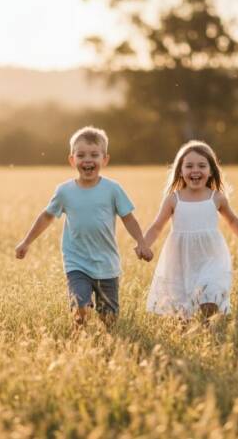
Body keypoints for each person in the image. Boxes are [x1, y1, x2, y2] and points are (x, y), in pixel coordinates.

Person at [15, 126, 153, 328]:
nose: (87, 160)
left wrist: (141, 242)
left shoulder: (113, 189)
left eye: (94, 155)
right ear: (72, 160)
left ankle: (107, 343)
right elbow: (46, 217)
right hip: (76, 262)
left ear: (104, 160)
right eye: (81, 155)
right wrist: (26, 242)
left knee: (110, 319)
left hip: (107, 264)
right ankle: (79, 338)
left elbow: (128, 218)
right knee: (80, 305)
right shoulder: (65, 191)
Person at [143, 140, 238, 322]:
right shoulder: (173, 200)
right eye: (189, 166)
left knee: (210, 296)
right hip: (181, 259)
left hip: (211, 256)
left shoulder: (216, 198)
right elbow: (157, 226)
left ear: (211, 170)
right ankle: (188, 332)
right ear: (180, 172)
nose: (195, 170)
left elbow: (232, 221)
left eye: (201, 165)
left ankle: (207, 329)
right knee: (182, 307)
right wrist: (144, 245)